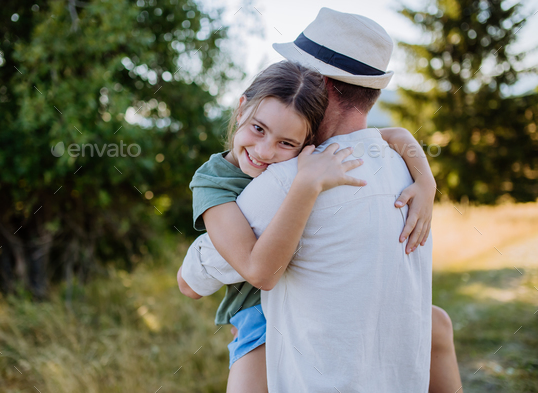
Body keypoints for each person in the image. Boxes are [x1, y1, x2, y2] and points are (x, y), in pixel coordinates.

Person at [178, 8, 464, 392]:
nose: (266, 149)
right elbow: (392, 136)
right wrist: (425, 179)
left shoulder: (294, 173)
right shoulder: (398, 169)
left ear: (320, 85)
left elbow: (193, 281)